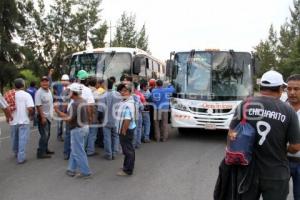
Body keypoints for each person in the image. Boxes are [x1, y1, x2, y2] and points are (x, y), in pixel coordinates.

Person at [229, 70, 300, 200]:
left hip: (248, 171)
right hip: (276, 174)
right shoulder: (288, 111)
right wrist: (283, 149)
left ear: (261, 87)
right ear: (280, 88)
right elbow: (295, 147)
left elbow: (232, 134)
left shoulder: (245, 104)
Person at [55, 83, 92, 178]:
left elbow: (69, 119)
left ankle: (86, 172)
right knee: (76, 150)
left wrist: (58, 112)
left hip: (77, 129)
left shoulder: (75, 104)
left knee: (78, 151)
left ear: (73, 92)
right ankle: (71, 169)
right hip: (84, 127)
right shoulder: (82, 100)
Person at [8, 78, 34, 164]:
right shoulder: (27, 95)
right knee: (22, 139)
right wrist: (30, 115)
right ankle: (21, 158)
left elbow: (5, 107)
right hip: (24, 120)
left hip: (13, 121)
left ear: (14, 86)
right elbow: (30, 108)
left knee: (14, 138)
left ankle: (16, 152)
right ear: (23, 85)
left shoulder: (10, 94)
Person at [115, 82, 136, 176]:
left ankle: (128, 170)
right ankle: (126, 166)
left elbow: (127, 119)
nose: (122, 93)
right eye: (121, 91)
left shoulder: (128, 104)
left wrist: (123, 130)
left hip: (126, 130)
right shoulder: (125, 101)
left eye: (125, 91)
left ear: (130, 92)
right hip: (126, 129)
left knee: (128, 150)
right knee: (128, 149)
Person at [286, 74, 300, 200]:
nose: (292, 92)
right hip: (282, 162)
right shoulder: (279, 108)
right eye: (289, 89)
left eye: (296, 89)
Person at [76, 70, 96, 156]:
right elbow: (90, 105)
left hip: (73, 116)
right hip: (83, 118)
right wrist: (91, 117)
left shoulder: (72, 88)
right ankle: (81, 153)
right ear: (86, 80)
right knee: (84, 137)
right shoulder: (88, 90)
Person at [101, 78, 122, 160]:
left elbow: (101, 109)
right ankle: (114, 152)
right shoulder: (118, 94)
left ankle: (108, 154)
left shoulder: (103, 94)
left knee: (107, 137)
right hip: (116, 119)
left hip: (106, 120)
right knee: (116, 136)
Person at [35, 76, 54, 159]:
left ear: (48, 83)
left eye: (46, 81)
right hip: (42, 116)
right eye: (43, 81)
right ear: (40, 83)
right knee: (44, 135)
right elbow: (38, 105)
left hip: (48, 116)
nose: (45, 83)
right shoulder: (39, 92)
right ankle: (40, 153)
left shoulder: (49, 90)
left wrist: (51, 114)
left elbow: (50, 103)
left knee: (48, 134)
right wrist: (43, 117)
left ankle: (45, 149)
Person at [53, 74, 70, 142]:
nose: (64, 82)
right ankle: (59, 135)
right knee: (59, 123)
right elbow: (53, 86)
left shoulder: (70, 87)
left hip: (68, 108)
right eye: (63, 80)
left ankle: (67, 135)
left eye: (66, 80)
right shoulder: (58, 86)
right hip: (60, 108)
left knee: (68, 123)